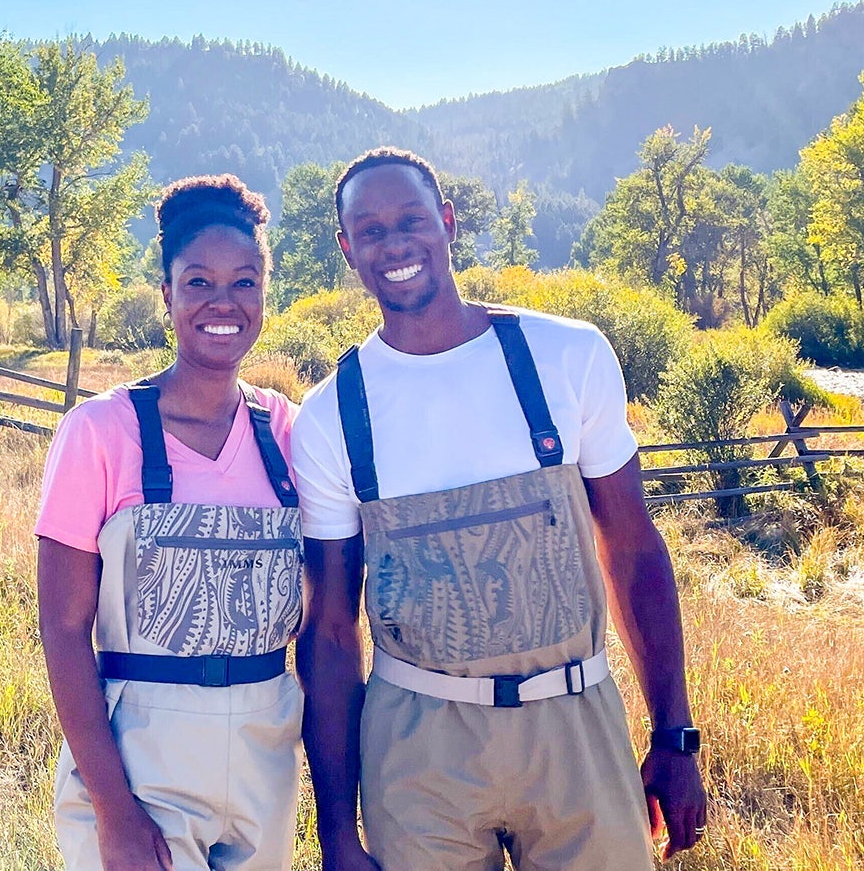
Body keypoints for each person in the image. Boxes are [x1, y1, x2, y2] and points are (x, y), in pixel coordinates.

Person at [293, 148, 709, 871]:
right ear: (346, 249)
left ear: (447, 223)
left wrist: (674, 735)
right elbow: (330, 632)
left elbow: (634, 549)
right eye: (370, 229)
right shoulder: (331, 416)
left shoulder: (567, 356)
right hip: (418, 747)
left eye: (412, 220)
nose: (395, 243)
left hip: (576, 722)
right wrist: (336, 832)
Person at [36, 175, 304, 871]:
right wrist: (115, 812)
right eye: (199, 283)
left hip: (265, 760)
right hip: (139, 764)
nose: (224, 303)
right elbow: (63, 632)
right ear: (167, 294)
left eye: (245, 282)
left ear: (266, 293)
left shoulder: (288, 432)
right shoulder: (98, 431)